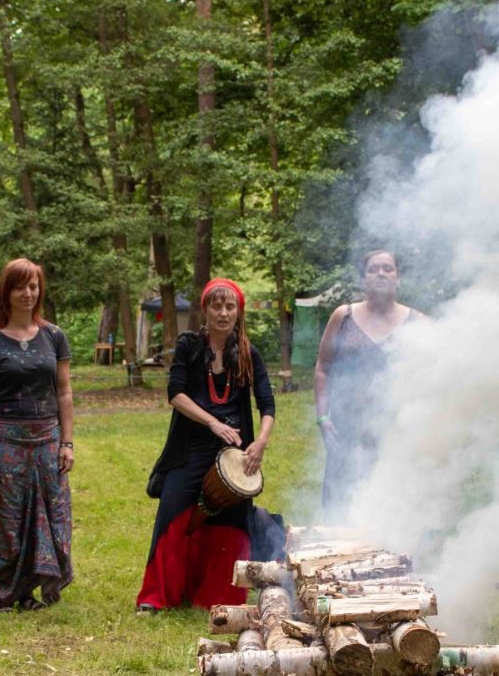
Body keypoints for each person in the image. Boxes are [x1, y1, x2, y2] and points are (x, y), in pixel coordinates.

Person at [137, 278, 280, 612]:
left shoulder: (248, 353)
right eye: (216, 305)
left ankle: (219, 597)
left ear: (238, 312)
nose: (223, 312)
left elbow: (267, 403)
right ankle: (157, 597)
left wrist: (260, 442)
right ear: (205, 309)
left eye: (230, 306)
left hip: (233, 453)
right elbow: (176, 394)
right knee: (174, 512)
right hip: (191, 447)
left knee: (230, 522)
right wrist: (213, 422)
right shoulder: (189, 345)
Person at [0, 259, 75, 610]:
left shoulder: (54, 336)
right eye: (20, 286)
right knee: (6, 518)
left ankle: (30, 591)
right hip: (6, 441)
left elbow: (64, 391)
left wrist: (67, 442)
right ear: (6, 292)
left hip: (47, 440)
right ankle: (2, 591)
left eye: (33, 286)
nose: (28, 293)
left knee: (50, 516)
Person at [313, 250, 422, 516]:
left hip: (392, 432)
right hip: (346, 428)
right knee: (340, 509)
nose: (381, 273)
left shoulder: (417, 323)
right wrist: (323, 417)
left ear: (398, 278)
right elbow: (323, 368)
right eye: (374, 269)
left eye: (388, 268)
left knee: (389, 509)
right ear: (363, 279)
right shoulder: (344, 316)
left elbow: (431, 381)